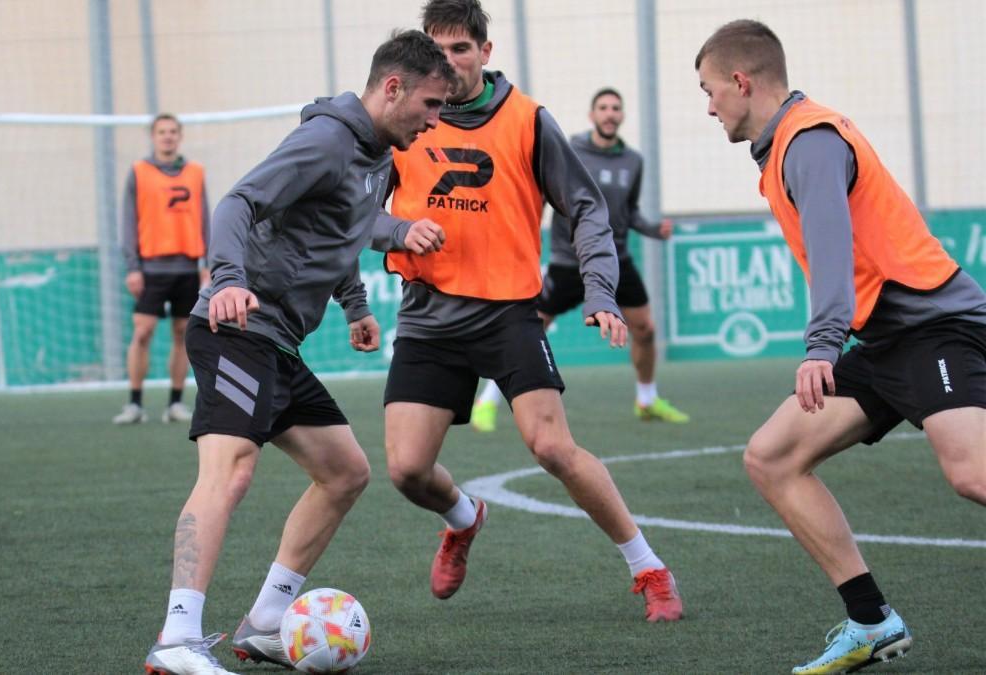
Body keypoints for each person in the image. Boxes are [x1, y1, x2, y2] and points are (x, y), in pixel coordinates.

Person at [143, 30, 455, 675]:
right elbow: (240, 202)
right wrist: (227, 279)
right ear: (392, 87)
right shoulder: (327, 140)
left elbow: (335, 228)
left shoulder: (376, 156)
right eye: (429, 104)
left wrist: (356, 304)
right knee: (228, 473)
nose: (434, 120)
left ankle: (263, 624)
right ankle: (176, 640)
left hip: (278, 341)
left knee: (345, 472)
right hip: (236, 327)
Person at [372, 0, 683, 623]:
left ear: (486, 53)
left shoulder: (528, 119)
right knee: (407, 469)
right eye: (439, 49)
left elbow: (588, 209)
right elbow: (356, 211)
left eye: (462, 48)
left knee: (552, 448)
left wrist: (599, 290)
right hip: (429, 318)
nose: (450, 61)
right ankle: (463, 519)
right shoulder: (402, 119)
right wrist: (397, 232)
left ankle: (649, 568)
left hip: (509, 313)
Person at [696, 19, 986, 674]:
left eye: (711, 90)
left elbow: (832, 253)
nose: (708, 106)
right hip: (887, 339)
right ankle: (871, 621)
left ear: (742, 82)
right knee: (770, 457)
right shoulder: (785, 147)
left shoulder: (810, 142)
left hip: (936, 325)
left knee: (971, 471)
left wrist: (822, 345)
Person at [470, 87, 687, 433]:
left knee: (645, 329)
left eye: (616, 108)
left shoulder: (633, 161)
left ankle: (647, 399)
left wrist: (652, 229)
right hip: (569, 261)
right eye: (603, 107)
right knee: (527, 330)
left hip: (616, 259)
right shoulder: (571, 149)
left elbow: (628, 212)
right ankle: (487, 402)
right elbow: (543, 194)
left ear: (622, 116)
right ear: (592, 115)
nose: (609, 113)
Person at [114, 113, 211, 425]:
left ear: (179, 136)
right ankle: (135, 404)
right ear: (153, 137)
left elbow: (206, 220)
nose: (167, 137)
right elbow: (128, 222)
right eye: (161, 132)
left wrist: (208, 264)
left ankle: (175, 403)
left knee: (183, 334)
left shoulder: (195, 172)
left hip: (187, 267)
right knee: (142, 331)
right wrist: (133, 266)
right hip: (151, 268)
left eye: (172, 132)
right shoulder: (139, 172)